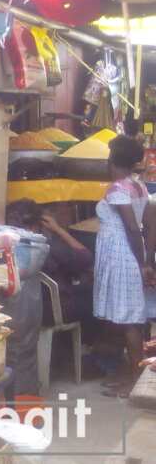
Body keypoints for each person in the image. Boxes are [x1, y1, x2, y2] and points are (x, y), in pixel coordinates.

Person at [93, 135, 155, 397]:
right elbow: (149, 227)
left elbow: (132, 227)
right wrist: (147, 259)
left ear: (111, 161)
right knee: (127, 318)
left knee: (128, 321)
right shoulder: (139, 186)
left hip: (123, 257)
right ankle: (129, 374)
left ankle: (135, 381)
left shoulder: (118, 189)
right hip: (128, 256)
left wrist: (143, 263)